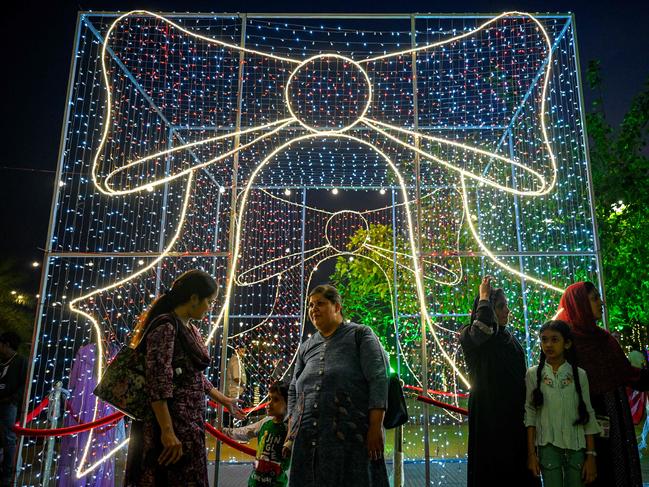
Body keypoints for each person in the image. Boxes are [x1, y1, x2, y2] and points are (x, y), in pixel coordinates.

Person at [124, 269, 244, 487]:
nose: (210, 307)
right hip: (170, 425)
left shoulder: (191, 328)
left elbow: (193, 376)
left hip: (189, 422)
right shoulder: (165, 327)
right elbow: (158, 381)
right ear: (194, 298)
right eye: (209, 301)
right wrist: (167, 432)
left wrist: (222, 399)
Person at [285, 284, 389, 487]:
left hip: (350, 440)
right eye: (311, 305)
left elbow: (378, 378)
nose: (314, 309)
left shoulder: (360, 335)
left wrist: (375, 427)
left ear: (337, 307)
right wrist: (291, 432)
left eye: (320, 304)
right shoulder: (306, 347)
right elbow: (293, 390)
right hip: (307, 443)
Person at [556, 281, 649, 486]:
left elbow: (629, 375)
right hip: (587, 431)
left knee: (621, 473)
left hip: (618, 424)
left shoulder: (605, 339)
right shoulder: (567, 344)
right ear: (579, 304)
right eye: (594, 298)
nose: (601, 302)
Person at [459, 276, 539, 487]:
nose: (507, 311)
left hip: (514, 420)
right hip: (489, 419)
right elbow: (482, 330)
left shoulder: (509, 339)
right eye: (501, 306)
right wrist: (484, 297)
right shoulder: (470, 336)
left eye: (506, 306)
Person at [525, 320, 600, 486]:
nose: (548, 344)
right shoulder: (533, 375)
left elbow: (587, 414)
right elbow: (530, 415)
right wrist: (532, 454)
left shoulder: (580, 375)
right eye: (544, 340)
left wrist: (591, 455)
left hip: (576, 448)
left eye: (554, 339)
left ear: (567, 344)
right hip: (547, 449)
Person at [223, 381, 290, 487]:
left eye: (276, 400)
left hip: (276, 484)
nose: (269, 403)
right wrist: (223, 432)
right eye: (269, 399)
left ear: (288, 403)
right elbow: (245, 432)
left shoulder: (290, 428)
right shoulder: (265, 422)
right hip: (255, 481)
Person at [0, 331, 27, 487]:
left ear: (7, 344)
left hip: (9, 405)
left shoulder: (20, 361)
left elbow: (24, 383)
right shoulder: (3, 362)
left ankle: (8, 473)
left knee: (9, 438)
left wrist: (14, 399)